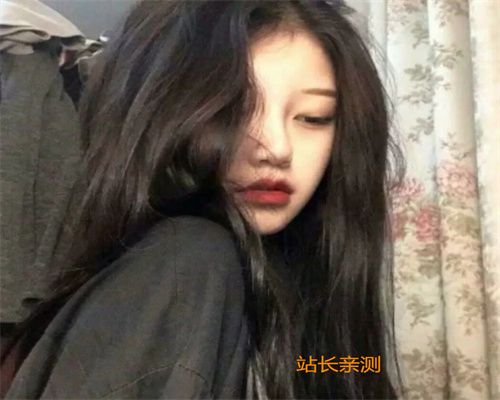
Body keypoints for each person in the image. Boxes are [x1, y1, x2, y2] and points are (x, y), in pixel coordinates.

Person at [0, 0, 404, 398]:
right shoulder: (186, 263)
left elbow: (334, 369)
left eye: (313, 117)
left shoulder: (294, 282)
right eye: (234, 109)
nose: (278, 149)